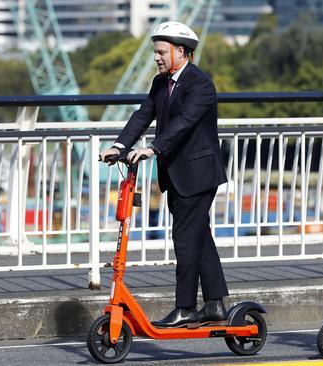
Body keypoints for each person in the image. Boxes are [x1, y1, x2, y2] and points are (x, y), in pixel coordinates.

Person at [99, 21, 229, 328]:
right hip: (178, 174)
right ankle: (214, 305)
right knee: (199, 237)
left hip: (198, 173)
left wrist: (153, 148)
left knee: (185, 240)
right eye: (155, 52)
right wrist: (119, 146)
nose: (156, 58)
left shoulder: (200, 84)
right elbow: (143, 114)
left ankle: (186, 308)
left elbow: (184, 122)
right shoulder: (161, 83)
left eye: (161, 52)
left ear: (180, 52)